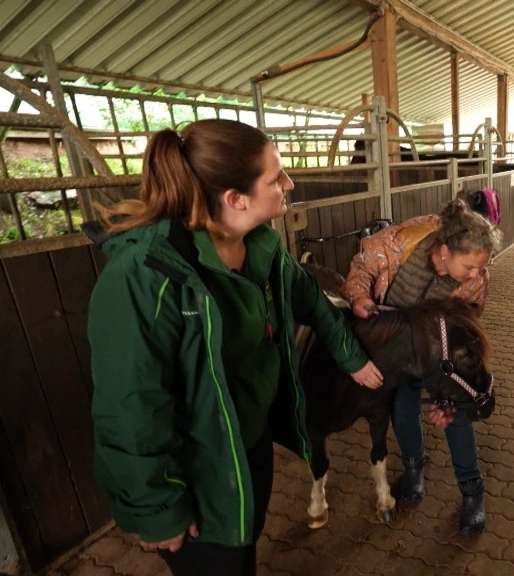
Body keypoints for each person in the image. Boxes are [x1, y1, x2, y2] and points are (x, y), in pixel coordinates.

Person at [86, 119, 383, 576]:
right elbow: (130, 407)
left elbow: (311, 298)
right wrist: (158, 508)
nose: (289, 183)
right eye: (276, 176)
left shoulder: (260, 247)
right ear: (236, 199)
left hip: (248, 442)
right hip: (199, 472)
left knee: (243, 550)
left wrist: (351, 355)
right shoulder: (143, 277)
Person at [342, 198, 502, 535]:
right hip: (401, 347)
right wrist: (360, 297)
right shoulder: (395, 244)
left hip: (438, 349)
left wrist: (447, 396)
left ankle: (472, 490)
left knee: (456, 414)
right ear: (445, 252)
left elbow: (465, 328)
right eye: (470, 266)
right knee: (403, 408)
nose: (478, 275)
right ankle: (414, 467)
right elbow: (361, 267)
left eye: (481, 267)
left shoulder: (475, 282)